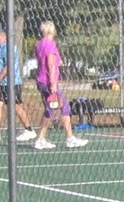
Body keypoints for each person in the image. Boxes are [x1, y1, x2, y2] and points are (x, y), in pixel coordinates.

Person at [33, 20, 87, 150]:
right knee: (64, 107)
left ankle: (41, 138)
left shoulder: (38, 44)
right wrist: (53, 84)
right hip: (49, 81)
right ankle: (69, 138)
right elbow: (50, 64)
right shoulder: (50, 44)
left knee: (50, 109)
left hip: (41, 80)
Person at [0, 27, 38, 143]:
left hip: (11, 82)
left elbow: (9, 66)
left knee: (16, 107)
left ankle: (29, 129)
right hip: (2, 83)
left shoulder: (9, 47)